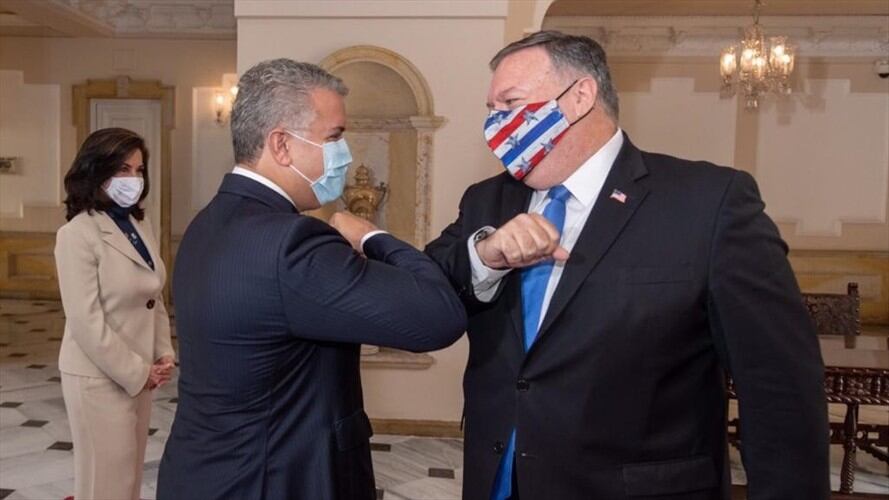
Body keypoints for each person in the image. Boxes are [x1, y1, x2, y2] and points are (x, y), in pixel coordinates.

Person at [425, 30, 829, 500]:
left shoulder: (708, 202)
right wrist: (485, 256)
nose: (495, 124)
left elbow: (779, 388)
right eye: (491, 109)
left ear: (580, 97)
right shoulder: (486, 201)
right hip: (500, 483)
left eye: (510, 103)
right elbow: (427, 288)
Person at [156, 59, 467, 500]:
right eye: (334, 137)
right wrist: (373, 236)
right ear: (281, 144)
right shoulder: (292, 242)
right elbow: (437, 317)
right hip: (272, 481)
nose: (346, 153)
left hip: (205, 472)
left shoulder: (208, 223)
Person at [55, 127, 175, 500]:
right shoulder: (77, 234)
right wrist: (138, 372)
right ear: (97, 169)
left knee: (128, 478)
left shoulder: (138, 224)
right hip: (98, 377)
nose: (133, 179)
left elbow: (152, 294)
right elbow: (85, 322)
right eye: (123, 169)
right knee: (105, 483)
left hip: (139, 372)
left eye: (139, 170)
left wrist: (163, 352)